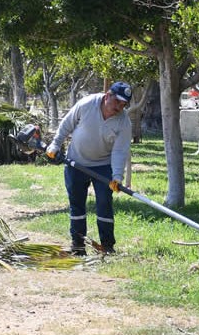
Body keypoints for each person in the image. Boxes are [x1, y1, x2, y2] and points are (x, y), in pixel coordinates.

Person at [45, 81, 133, 256]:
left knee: (104, 204)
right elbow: (67, 124)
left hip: (103, 166)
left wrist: (116, 176)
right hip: (75, 161)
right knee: (76, 204)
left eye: (123, 105)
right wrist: (55, 145)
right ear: (108, 96)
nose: (119, 108)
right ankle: (78, 245)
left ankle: (107, 246)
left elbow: (119, 151)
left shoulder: (124, 123)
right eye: (117, 102)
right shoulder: (87, 104)